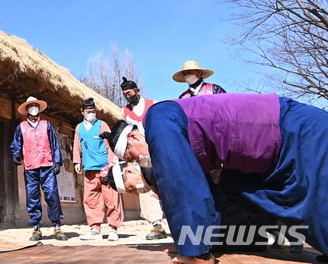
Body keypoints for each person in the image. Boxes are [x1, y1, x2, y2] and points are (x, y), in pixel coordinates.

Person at [106, 93, 328, 264]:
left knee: (316, 201)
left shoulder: (158, 118)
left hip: (296, 129)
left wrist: (195, 252)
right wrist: (187, 237)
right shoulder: (165, 125)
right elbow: (204, 189)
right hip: (265, 156)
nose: (137, 161)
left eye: (130, 155)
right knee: (233, 188)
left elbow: (181, 183)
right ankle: (251, 239)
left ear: (134, 136)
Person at [10, 96, 68, 241]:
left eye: (36, 105)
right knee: (32, 196)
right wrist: (15, 154)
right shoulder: (21, 127)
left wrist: (57, 162)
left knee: (52, 195)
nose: (34, 108)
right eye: (31, 106)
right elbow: (16, 144)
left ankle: (57, 226)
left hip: (47, 165)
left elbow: (54, 145)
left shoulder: (46, 125)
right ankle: (36, 227)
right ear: (27, 110)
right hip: (30, 166)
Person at [120, 77, 166, 240]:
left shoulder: (154, 104)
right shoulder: (124, 111)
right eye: (125, 94)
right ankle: (156, 225)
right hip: (140, 154)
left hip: (158, 149)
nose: (128, 96)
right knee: (146, 186)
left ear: (138, 91)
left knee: (166, 183)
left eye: (130, 93)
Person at [73, 97, 124, 241]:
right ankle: (95, 229)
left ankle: (113, 228)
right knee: (91, 199)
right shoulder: (79, 128)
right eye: (88, 111)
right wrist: (77, 162)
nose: (91, 114)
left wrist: (111, 163)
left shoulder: (102, 125)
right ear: (82, 112)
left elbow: (110, 145)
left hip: (104, 167)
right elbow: (77, 145)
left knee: (111, 197)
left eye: (93, 111)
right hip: (89, 168)